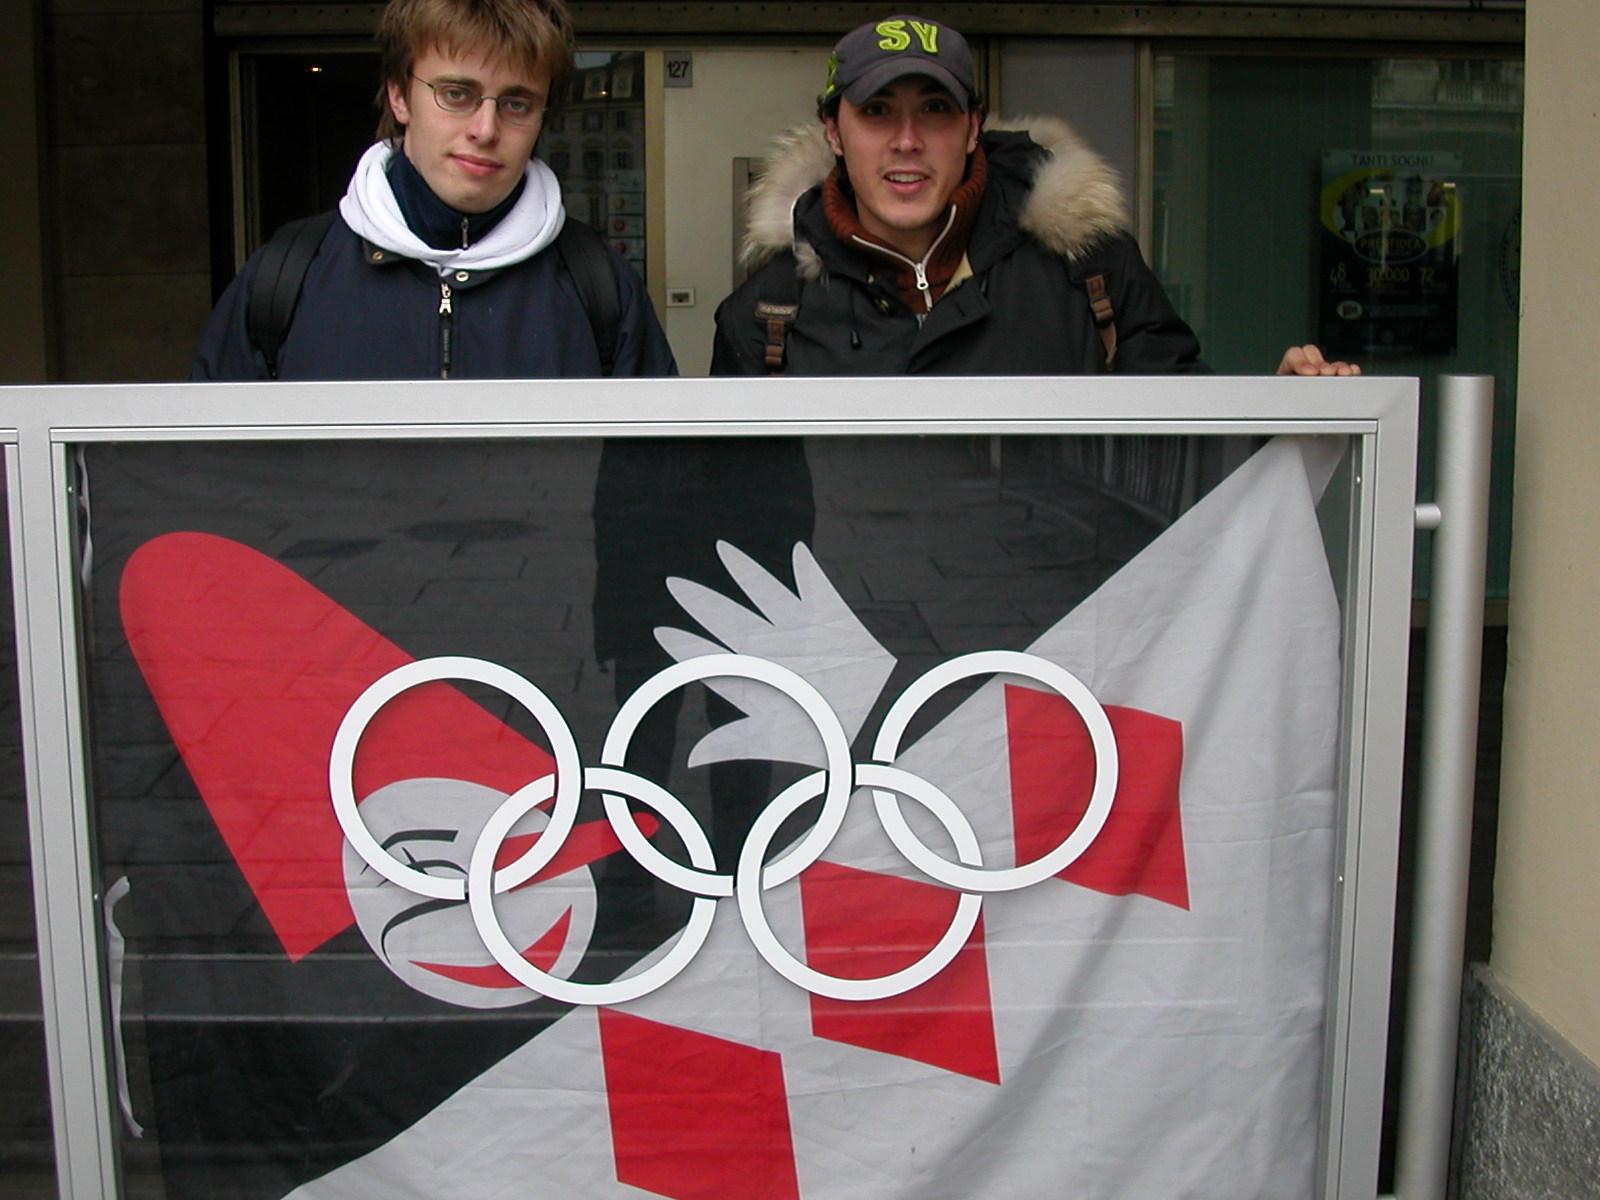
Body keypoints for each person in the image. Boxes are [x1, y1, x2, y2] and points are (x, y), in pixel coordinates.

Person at [713, 13, 1355, 378]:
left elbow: (1186, 455)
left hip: (1061, 615)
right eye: (877, 111)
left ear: (971, 129)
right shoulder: (769, 309)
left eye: (935, 109)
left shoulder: (1087, 267)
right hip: (854, 618)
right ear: (834, 132)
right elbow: (737, 516)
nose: (906, 140)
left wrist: (1280, 413)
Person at [193, 0, 673, 381]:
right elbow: (214, 480)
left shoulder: (601, 287)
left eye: (517, 103)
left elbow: (650, 487)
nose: (485, 129)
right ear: (400, 96)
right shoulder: (285, 277)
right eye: (456, 94)